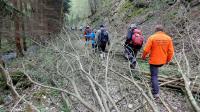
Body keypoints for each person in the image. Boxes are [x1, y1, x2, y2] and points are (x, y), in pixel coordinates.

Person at [141, 25, 174, 98]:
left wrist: (143, 57)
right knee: (155, 74)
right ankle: (154, 83)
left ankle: (156, 92)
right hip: (162, 61)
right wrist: (167, 60)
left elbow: (146, 50)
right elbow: (171, 52)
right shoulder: (168, 38)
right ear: (163, 30)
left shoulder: (152, 37)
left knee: (154, 76)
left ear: (156, 30)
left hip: (154, 61)